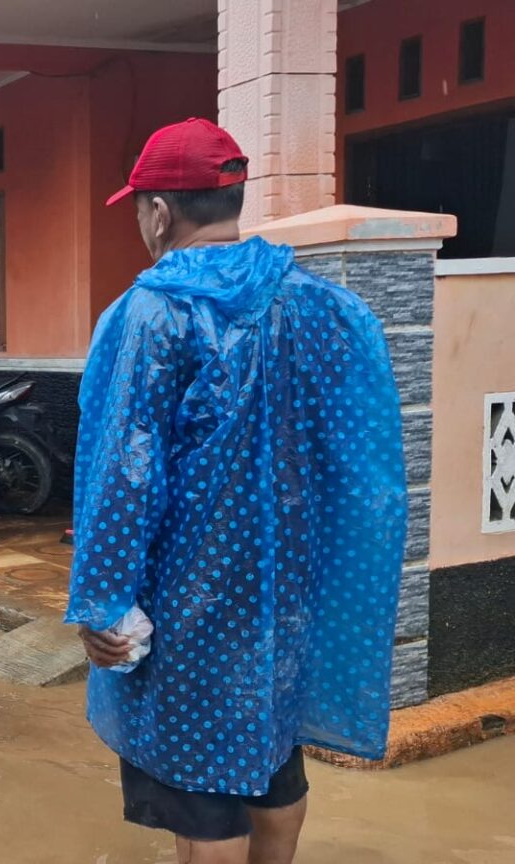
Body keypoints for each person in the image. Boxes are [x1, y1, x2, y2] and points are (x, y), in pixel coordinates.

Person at [67, 118, 406, 864]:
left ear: (160, 212)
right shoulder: (320, 304)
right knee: (275, 762)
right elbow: (360, 462)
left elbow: (124, 470)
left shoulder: (153, 313)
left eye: (139, 208)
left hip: (188, 603)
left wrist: (102, 602)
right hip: (286, 593)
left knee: (201, 797)